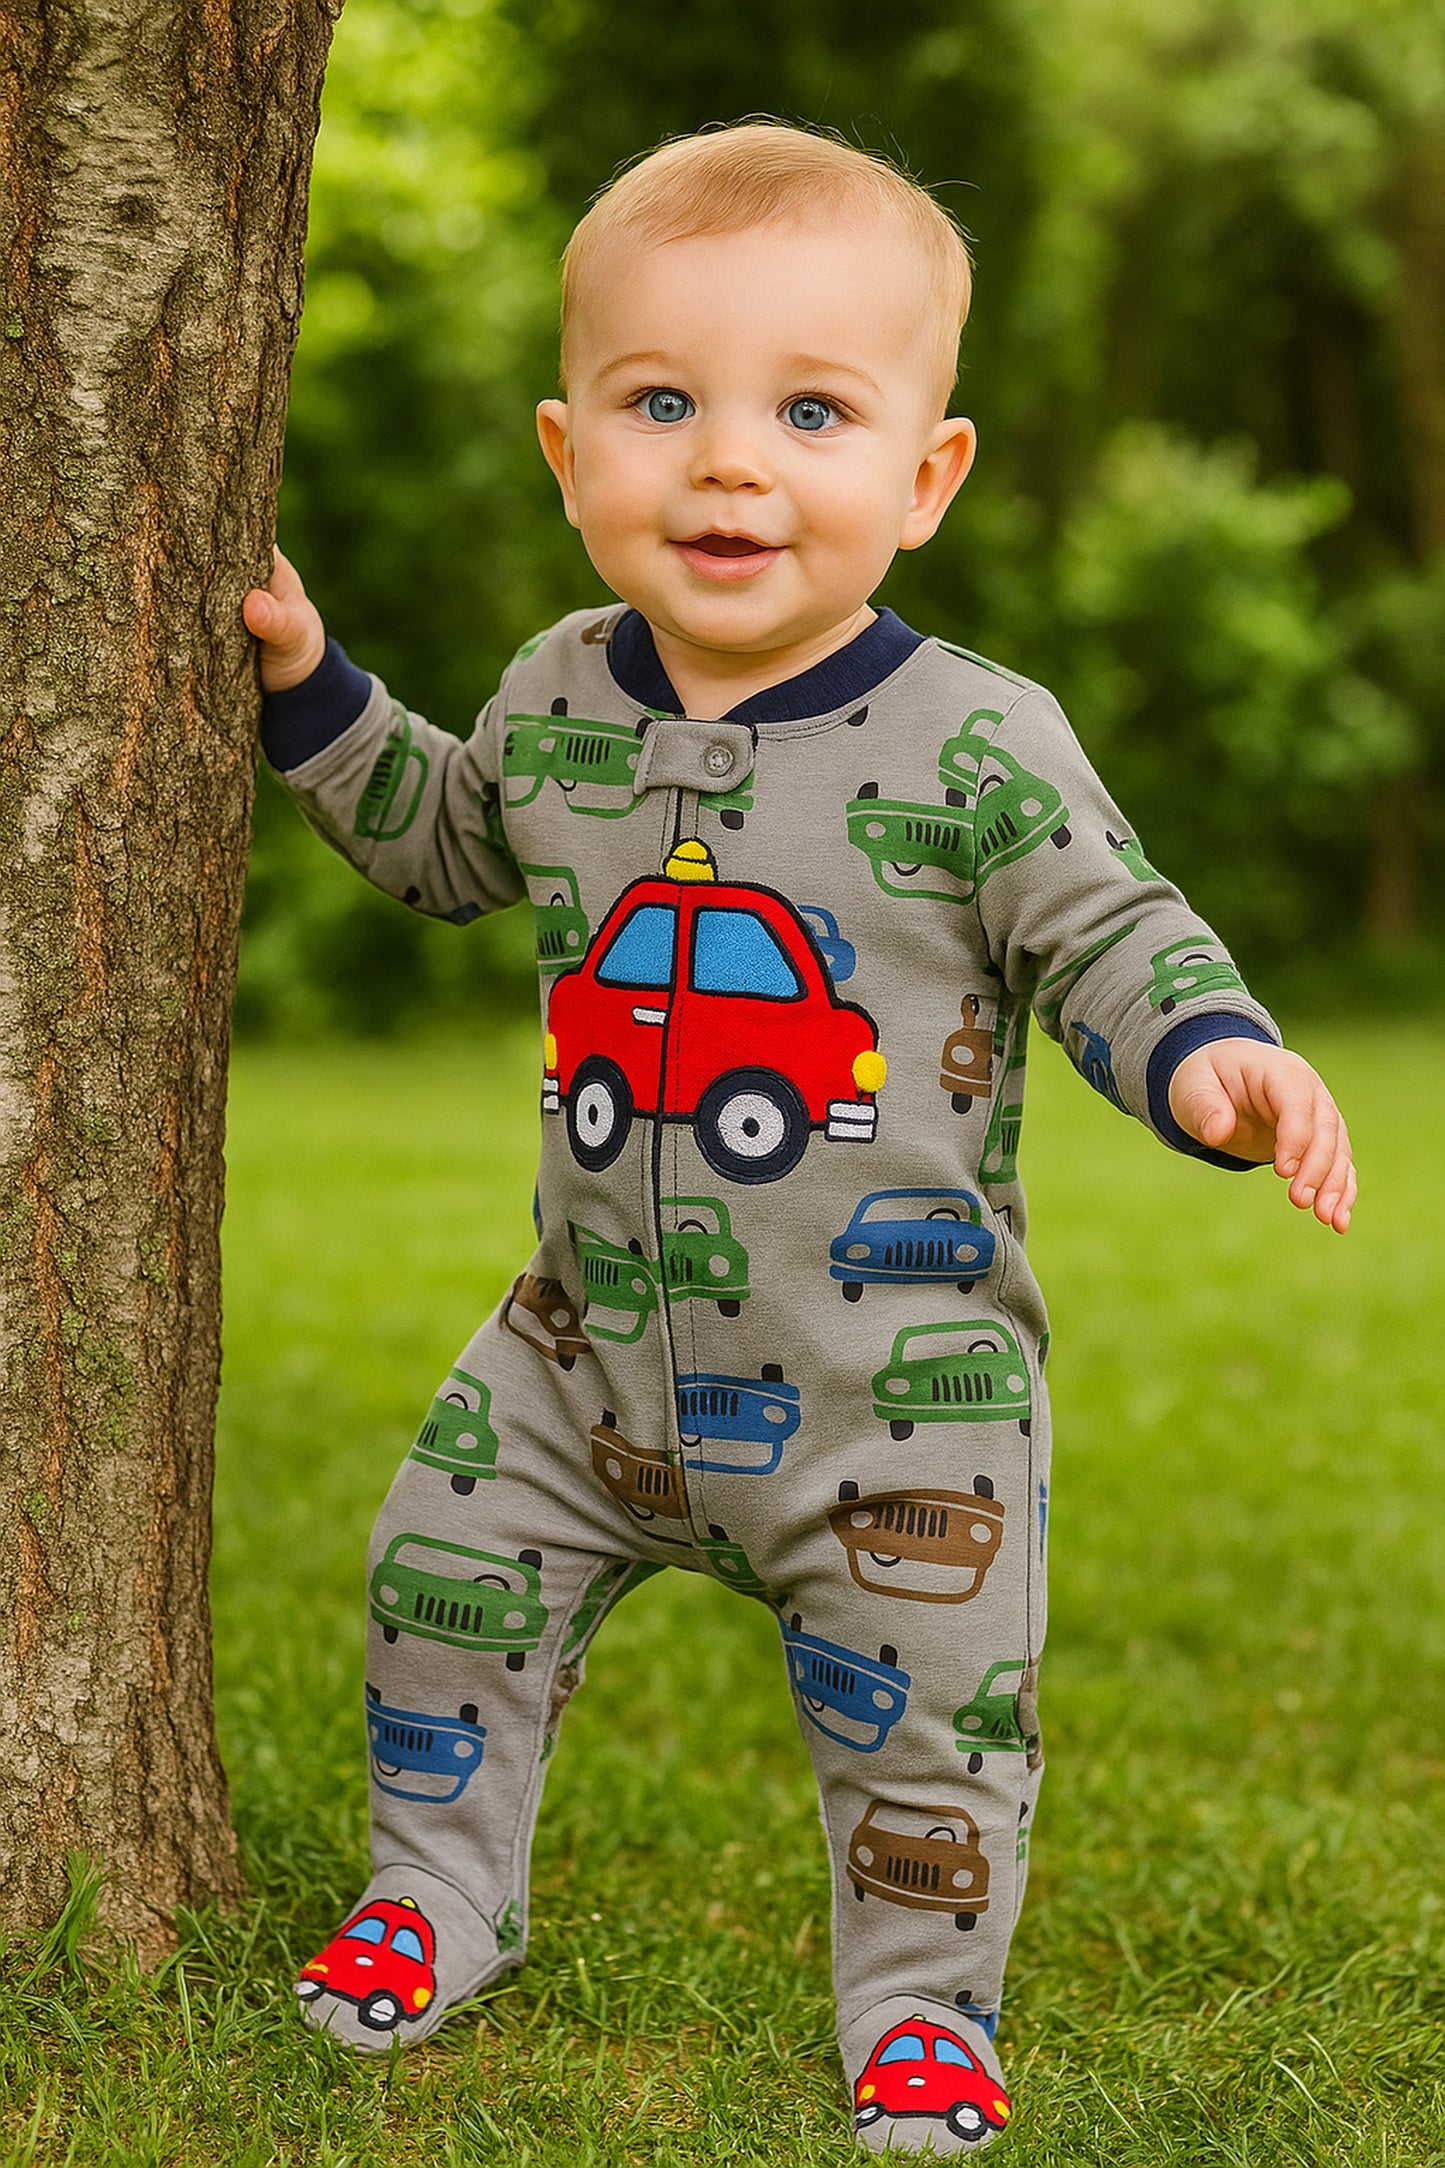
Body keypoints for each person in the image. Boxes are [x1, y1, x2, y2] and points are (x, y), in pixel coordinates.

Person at [243, 122, 1354, 2154]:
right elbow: (446, 841)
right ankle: (438, 1892)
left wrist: (1212, 1057)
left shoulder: (978, 742)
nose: (732, 463)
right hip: (581, 1360)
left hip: (888, 1407)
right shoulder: (562, 693)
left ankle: (924, 2011)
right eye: (666, 405)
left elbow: (1109, 930)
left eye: (811, 411)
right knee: (437, 1569)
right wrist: (316, 690)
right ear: (573, 457)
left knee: (930, 1728)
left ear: (925, 477)